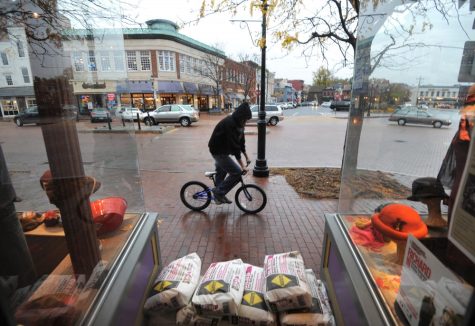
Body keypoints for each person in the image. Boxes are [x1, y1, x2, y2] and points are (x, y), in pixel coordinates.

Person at [208, 102, 252, 204]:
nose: (245, 122)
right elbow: (234, 146)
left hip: (224, 150)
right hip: (217, 150)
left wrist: (247, 157)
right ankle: (219, 192)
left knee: (222, 170)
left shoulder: (239, 125)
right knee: (237, 172)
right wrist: (242, 166)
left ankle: (219, 195)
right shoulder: (230, 123)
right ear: (240, 116)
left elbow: (241, 143)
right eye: (244, 119)